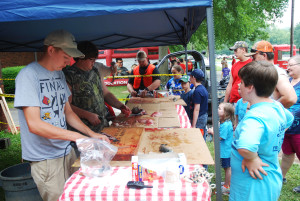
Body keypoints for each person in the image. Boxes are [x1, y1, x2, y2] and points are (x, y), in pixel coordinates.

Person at [14, 30, 110, 201]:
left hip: (67, 153)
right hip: (46, 160)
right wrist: (76, 136)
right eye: (66, 57)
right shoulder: (28, 75)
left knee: (80, 195)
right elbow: (34, 124)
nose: (69, 62)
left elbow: (68, 112)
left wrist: (91, 134)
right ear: (51, 50)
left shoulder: (58, 74)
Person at [230, 61, 294, 201]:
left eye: (241, 82)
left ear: (250, 87)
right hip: (270, 176)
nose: (238, 85)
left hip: (252, 185)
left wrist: (251, 158)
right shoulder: (276, 107)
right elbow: (289, 119)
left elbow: (246, 146)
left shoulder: (254, 118)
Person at [63, 41, 131, 133]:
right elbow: (66, 106)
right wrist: (87, 115)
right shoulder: (69, 76)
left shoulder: (95, 71)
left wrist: (120, 106)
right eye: (91, 59)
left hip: (101, 125)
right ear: (81, 58)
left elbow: (106, 93)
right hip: (83, 130)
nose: (94, 62)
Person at [244, 40, 297, 108]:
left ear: (264, 55)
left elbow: (291, 98)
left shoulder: (277, 73)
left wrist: (269, 109)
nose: (252, 60)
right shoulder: (266, 71)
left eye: (254, 57)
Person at [280, 56, 300, 193]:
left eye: (291, 65)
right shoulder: (287, 82)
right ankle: (280, 177)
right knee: (287, 153)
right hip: (286, 127)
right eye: (288, 65)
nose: (288, 67)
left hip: (298, 127)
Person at [207, 102, 235, 195]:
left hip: (225, 152)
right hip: (223, 151)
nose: (217, 109)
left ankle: (227, 187)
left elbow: (220, 137)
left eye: (219, 108)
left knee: (227, 168)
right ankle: (227, 183)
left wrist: (212, 132)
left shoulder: (226, 125)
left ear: (225, 113)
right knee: (225, 168)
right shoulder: (223, 123)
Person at [190, 69, 209, 140]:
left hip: (199, 117)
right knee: (202, 135)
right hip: (204, 115)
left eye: (190, 76)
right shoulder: (203, 88)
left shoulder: (197, 91)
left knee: (198, 137)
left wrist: (194, 125)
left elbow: (196, 109)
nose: (190, 78)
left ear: (194, 78)